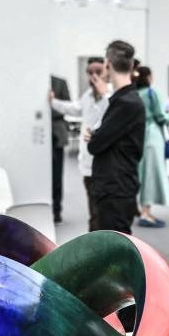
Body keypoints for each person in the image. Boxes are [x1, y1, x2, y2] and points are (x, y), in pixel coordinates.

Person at [84, 40, 144, 235]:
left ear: (107, 64)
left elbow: (96, 145)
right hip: (115, 186)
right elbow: (109, 136)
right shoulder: (124, 100)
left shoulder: (126, 103)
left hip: (115, 189)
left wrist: (94, 137)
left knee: (114, 254)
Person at [49, 57, 112, 231]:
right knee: (93, 205)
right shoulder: (88, 96)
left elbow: (111, 119)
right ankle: (95, 241)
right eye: (90, 72)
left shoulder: (112, 97)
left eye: (98, 72)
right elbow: (74, 108)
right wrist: (53, 102)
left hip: (105, 162)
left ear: (106, 72)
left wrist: (105, 95)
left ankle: (99, 242)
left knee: (102, 208)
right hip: (88, 161)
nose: (93, 76)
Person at [134, 66, 169, 227]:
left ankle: (146, 211)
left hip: (140, 137)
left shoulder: (134, 94)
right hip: (153, 137)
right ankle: (145, 213)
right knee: (151, 175)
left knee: (144, 174)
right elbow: (161, 117)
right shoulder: (152, 92)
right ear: (149, 77)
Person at [49, 75, 71, 225]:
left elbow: (67, 106)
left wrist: (51, 107)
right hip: (38, 137)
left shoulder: (60, 82)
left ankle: (57, 211)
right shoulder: (34, 80)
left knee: (57, 175)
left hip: (57, 134)